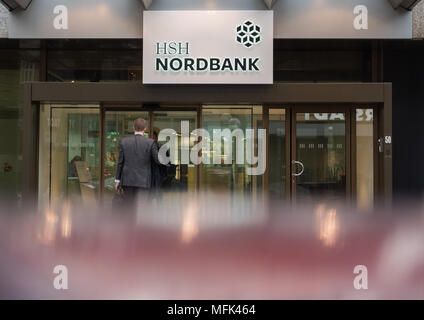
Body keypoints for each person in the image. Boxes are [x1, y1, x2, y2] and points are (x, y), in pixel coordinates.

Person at [114, 118, 161, 208]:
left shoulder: (124, 142)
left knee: (128, 208)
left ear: (133, 128)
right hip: (144, 181)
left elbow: (120, 163)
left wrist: (117, 180)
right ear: (145, 129)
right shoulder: (150, 143)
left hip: (127, 181)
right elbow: (158, 160)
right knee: (142, 208)